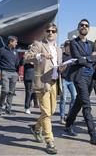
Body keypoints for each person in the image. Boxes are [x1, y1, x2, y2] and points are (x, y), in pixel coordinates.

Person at [24, 23, 63, 154]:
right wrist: (40, 56)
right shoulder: (38, 44)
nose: (51, 32)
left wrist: (63, 67)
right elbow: (26, 57)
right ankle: (49, 142)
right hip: (42, 82)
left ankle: (36, 128)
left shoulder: (59, 50)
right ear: (45, 32)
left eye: (53, 31)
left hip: (54, 82)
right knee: (46, 112)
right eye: (48, 30)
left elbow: (57, 66)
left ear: (56, 33)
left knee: (50, 111)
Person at [64, 19, 96, 145]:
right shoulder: (73, 43)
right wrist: (89, 58)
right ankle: (93, 134)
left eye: (86, 25)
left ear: (88, 29)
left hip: (91, 78)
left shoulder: (92, 44)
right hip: (79, 77)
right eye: (82, 25)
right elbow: (77, 58)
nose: (84, 27)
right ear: (78, 27)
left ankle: (68, 123)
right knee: (87, 105)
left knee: (79, 102)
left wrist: (86, 58)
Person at [0, 36, 20, 116]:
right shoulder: (2, 50)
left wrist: (23, 61)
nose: (16, 43)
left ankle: (8, 109)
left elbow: (17, 64)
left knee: (11, 92)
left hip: (14, 73)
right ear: (10, 42)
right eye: (15, 42)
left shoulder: (16, 51)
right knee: (5, 90)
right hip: (5, 72)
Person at [59, 40, 76, 125]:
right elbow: (59, 69)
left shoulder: (74, 56)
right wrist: (63, 66)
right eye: (68, 46)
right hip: (64, 79)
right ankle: (62, 117)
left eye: (70, 47)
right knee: (63, 98)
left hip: (72, 80)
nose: (69, 48)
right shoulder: (62, 56)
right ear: (65, 47)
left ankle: (69, 115)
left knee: (74, 97)